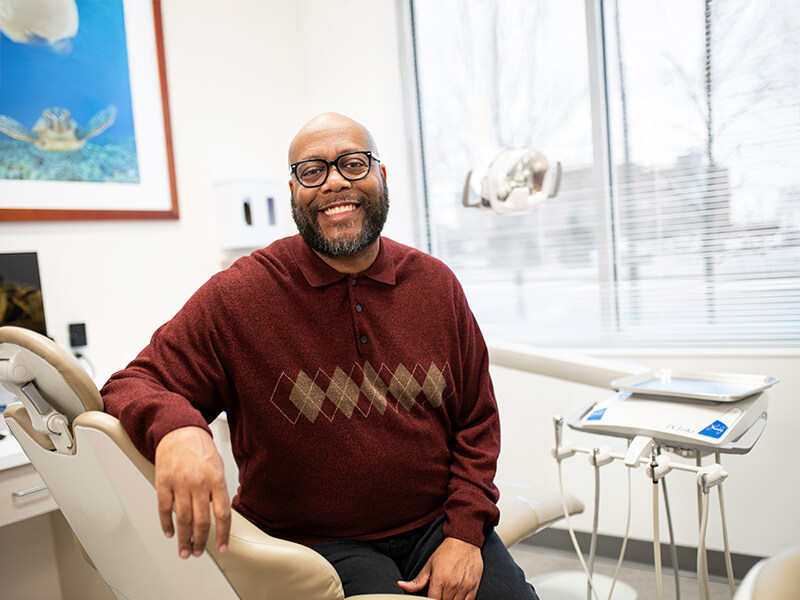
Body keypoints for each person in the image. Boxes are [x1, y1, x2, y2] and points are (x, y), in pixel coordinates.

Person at [101, 112, 538, 600]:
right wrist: (179, 430)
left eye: (353, 164)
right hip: (313, 544)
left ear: (381, 177)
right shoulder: (241, 297)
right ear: (293, 192)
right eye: (312, 171)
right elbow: (131, 384)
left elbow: (476, 421)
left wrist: (463, 530)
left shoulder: (435, 286)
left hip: (437, 524)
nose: (333, 182)